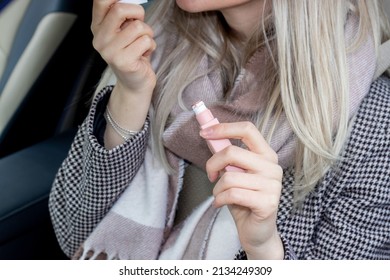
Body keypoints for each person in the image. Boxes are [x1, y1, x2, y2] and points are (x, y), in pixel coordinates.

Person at [48, 0, 390, 260]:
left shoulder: (375, 122)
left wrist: (263, 249)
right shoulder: (154, 44)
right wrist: (131, 93)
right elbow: (70, 229)